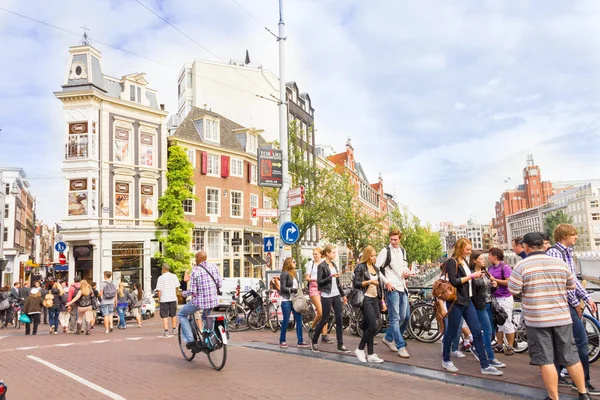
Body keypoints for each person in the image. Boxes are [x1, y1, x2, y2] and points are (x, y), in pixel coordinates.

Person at [509, 232, 591, 400]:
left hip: (537, 320)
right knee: (571, 356)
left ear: (526, 247)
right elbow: (570, 285)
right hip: (562, 317)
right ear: (543, 245)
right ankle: (583, 394)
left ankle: (554, 398)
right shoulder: (560, 263)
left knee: (545, 360)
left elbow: (513, 290)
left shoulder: (522, 266)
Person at [547, 225, 599, 395]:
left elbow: (572, 280)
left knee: (565, 343)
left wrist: (587, 298)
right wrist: (577, 302)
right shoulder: (555, 253)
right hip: (563, 305)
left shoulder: (566, 252)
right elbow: (564, 282)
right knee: (580, 342)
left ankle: (560, 376)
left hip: (565, 304)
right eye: (573, 234)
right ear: (564, 235)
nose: (576, 237)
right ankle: (582, 382)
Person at [441, 238, 503, 376]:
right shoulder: (452, 261)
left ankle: (485, 365)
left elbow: (467, 282)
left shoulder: (464, 262)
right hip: (456, 302)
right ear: (460, 248)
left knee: (477, 332)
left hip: (467, 301)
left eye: (470, 249)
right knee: (451, 331)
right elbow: (454, 281)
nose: (469, 252)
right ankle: (446, 359)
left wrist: (477, 278)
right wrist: (471, 277)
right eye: (467, 249)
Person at [377, 228, 411, 358]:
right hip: (392, 288)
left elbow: (404, 266)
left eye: (395, 239)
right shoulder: (385, 251)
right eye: (391, 239)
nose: (393, 242)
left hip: (402, 286)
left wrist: (406, 271)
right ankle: (400, 345)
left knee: (405, 316)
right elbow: (377, 268)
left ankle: (388, 338)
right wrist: (386, 282)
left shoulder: (403, 251)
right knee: (395, 318)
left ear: (400, 239)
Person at [178, 251, 222, 350]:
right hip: (213, 301)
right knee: (205, 317)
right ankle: (208, 338)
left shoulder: (196, 270)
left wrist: (183, 293)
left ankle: (191, 341)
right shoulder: (214, 267)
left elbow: (193, 291)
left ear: (198, 259)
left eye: (195, 259)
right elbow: (220, 284)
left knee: (181, 314)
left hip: (200, 302)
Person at [470, 251, 506, 368]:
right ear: (474, 261)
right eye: (480, 259)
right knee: (487, 330)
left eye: (483, 258)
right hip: (481, 305)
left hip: (490, 303)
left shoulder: (485, 272)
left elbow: (488, 290)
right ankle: (490, 358)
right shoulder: (472, 274)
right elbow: (473, 293)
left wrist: (494, 286)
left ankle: (476, 347)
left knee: (492, 331)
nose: (483, 260)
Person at [311, 245, 349, 354]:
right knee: (325, 319)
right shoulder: (322, 266)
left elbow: (337, 282)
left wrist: (343, 295)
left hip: (336, 294)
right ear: (327, 253)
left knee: (339, 319)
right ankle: (314, 339)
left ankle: (340, 344)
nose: (335, 254)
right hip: (326, 295)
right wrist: (331, 276)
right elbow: (319, 282)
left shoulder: (334, 265)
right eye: (333, 252)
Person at [353, 246, 386, 363]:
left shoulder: (376, 269)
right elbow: (356, 283)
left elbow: (381, 286)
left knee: (370, 327)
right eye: (372, 255)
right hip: (365, 298)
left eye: (375, 255)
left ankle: (371, 354)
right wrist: (369, 281)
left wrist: (382, 301)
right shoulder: (360, 267)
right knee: (373, 325)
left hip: (374, 300)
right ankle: (360, 348)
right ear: (367, 256)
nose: (374, 257)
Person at [488, 247, 516, 355]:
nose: (489, 257)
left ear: (495, 256)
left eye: (490, 255)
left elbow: (509, 282)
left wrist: (495, 280)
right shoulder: (490, 268)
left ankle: (510, 346)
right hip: (495, 298)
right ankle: (499, 345)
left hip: (504, 298)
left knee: (506, 321)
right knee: (498, 323)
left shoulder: (505, 267)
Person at [279, 257, 309, 349]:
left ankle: (300, 341)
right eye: (294, 262)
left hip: (295, 300)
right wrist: (291, 289)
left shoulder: (294, 274)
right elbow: (282, 288)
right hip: (286, 300)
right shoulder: (284, 274)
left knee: (299, 320)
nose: (295, 263)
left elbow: (297, 285)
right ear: (289, 263)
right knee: (286, 321)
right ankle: (282, 340)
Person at [305, 247, 332, 344]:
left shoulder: (324, 264)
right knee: (320, 312)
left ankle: (324, 335)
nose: (314, 255)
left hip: (323, 288)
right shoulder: (310, 264)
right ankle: (312, 327)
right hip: (314, 289)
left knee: (325, 312)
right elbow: (307, 278)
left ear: (321, 254)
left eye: (316, 254)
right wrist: (314, 279)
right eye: (313, 254)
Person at [157, 264, 180, 337]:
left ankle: (166, 331)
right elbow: (177, 287)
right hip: (172, 298)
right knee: (173, 314)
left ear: (164, 269)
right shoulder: (174, 276)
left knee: (164, 316)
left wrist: (159, 298)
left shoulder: (160, 278)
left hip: (164, 298)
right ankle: (174, 329)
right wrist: (175, 294)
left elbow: (159, 290)